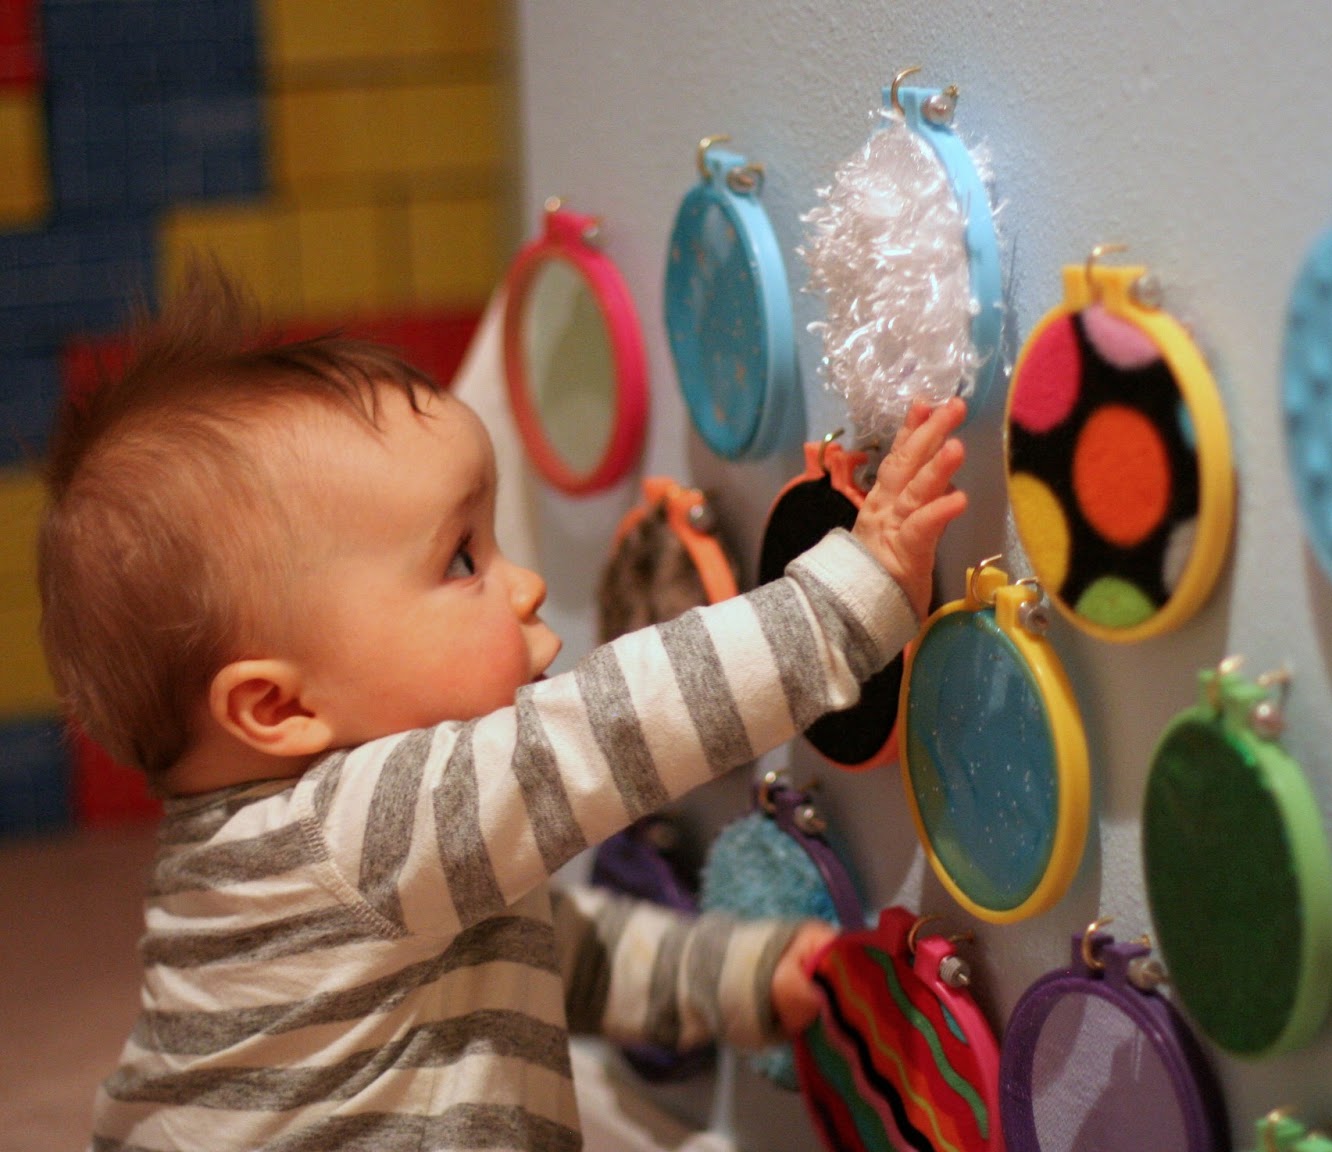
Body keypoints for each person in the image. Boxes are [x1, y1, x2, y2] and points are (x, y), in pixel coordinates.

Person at [36, 271, 968, 1152]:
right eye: (461, 560)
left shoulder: (324, 858)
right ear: (278, 706)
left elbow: (555, 952)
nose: (525, 585)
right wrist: (844, 600)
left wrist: (736, 976)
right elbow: (612, 728)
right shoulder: (356, 831)